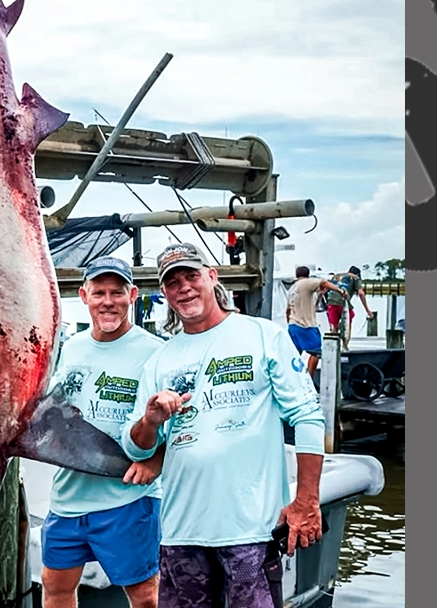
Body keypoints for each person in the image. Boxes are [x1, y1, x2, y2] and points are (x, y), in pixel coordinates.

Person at [120, 243, 326, 608]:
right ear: (163, 292)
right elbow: (138, 448)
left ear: (212, 277)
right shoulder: (159, 360)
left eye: (191, 275)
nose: (183, 287)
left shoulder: (264, 335)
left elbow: (307, 416)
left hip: (251, 530)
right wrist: (150, 420)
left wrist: (306, 501)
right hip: (181, 533)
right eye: (172, 282)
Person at [40, 256, 167, 608]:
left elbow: (180, 422)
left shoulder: (155, 352)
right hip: (68, 496)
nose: (108, 301)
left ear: (133, 295)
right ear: (83, 296)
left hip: (126, 498)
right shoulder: (72, 346)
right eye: (99, 292)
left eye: (117, 292)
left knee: (145, 597)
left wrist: (156, 460)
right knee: (55, 588)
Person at [285, 266, 346, 381]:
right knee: (316, 352)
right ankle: (309, 380)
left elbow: (287, 311)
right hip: (306, 326)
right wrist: (340, 290)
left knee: (295, 354)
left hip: (293, 325)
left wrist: (320, 295)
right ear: (308, 274)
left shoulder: (292, 289)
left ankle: (293, 379)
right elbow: (324, 282)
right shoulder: (306, 283)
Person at [324, 265, 372, 350]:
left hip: (330, 302)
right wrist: (367, 310)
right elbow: (361, 293)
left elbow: (326, 289)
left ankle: (333, 348)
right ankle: (345, 345)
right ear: (358, 273)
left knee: (334, 326)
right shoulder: (356, 278)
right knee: (347, 323)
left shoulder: (337, 276)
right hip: (342, 303)